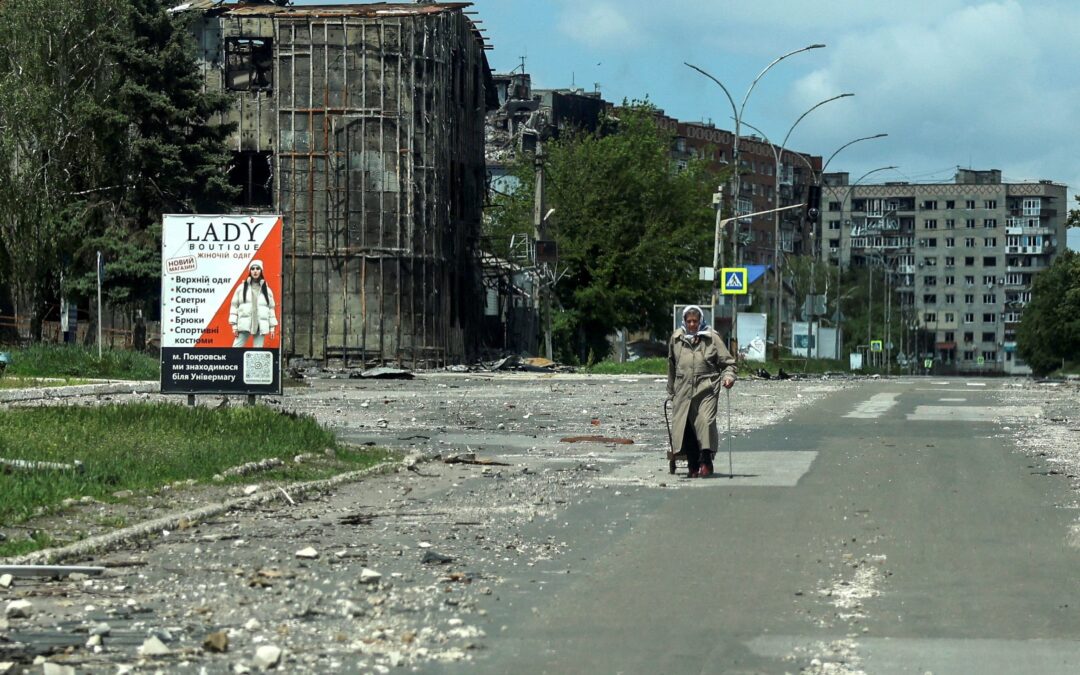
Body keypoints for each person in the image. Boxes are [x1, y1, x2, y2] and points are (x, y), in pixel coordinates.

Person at [666, 305, 736, 477]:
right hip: (683, 388)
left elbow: (728, 363)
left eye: (695, 321)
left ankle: (706, 461)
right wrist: (671, 390)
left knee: (705, 421)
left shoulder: (712, 338)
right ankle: (692, 464)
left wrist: (729, 377)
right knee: (686, 426)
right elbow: (671, 366)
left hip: (707, 387)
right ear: (684, 321)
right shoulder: (676, 338)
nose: (691, 324)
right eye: (688, 321)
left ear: (700, 321)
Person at [229, 259, 277, 348]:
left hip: (260, 326)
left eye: (258, 269)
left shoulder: (266, 290)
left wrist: (272, 328)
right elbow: (234, 306)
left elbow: (271, 309)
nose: (255, 271)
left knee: (257, 353)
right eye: (253, 269)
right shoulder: (241, 288)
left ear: (261, 271)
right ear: (250, 271)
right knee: (235, 350)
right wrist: (234, 327)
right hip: (244, 325)